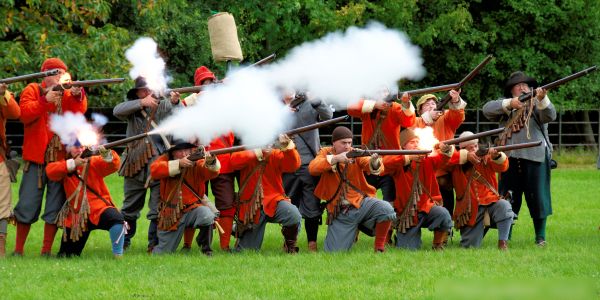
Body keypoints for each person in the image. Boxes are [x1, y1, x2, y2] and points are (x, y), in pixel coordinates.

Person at [13, 58, 87, 256]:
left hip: (59, 160)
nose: (59, 76)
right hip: (35, 160)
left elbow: (78, 113)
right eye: (55, 73)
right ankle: (18, 250)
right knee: (27, 205)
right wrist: (45, 101)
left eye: (62, 73)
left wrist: (78, 96)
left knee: (54, 208)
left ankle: (46, 251)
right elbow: (24, 114)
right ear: (45, 75)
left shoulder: (67, 91)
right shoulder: (32, 90)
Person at [483, 71, 556, 246]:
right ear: (512, 91)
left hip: (535, 157)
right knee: (508, 198)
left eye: (525, 85)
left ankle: (540, 237)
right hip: (508, 158)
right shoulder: (506, 108)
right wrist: (510, 104)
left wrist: (542, 99)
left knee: (539, 198)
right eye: (518, 86)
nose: (522, 87)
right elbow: (486, 109)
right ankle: (505, 237)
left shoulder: (538, 105)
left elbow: (550, 115)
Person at [113, 76, 180, 252]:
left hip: (158, 164)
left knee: (157, 207)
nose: (147, 92)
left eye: (149, 89)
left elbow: (175, 111)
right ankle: (124, 240)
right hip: (134, 163)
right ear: (137, 93)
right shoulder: (134, 107)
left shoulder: (163, 104)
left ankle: (154, 243)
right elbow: (117, 111)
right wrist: (142, 102)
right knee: (129, 207)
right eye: (143, 90)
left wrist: (174, 101)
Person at [176, 66, 238, 252]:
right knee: (192, 202)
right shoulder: (191, 103)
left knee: (226, 204)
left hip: (222, 162)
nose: (208, 86)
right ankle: (187, 245)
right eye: (204, 83)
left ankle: (225, 246)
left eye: (210, 82)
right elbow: (175, 113)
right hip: (196, 162)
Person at [308, 126, 395, 252]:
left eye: (349, 142)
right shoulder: (326, 153)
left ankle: (379, 248)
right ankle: (352, 232)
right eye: (343, 143)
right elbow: (313, 168)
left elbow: (375, 167)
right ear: (334, 143)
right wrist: (337, 158)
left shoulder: (356, 152)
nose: (347, 146)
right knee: (334, 253)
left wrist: (375, 161)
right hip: (340, 212)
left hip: (361, 203)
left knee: (386, 209)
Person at [46, 144, 125, 258]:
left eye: (82, 147)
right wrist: (74, 163)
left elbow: (113, 165)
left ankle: (118, 255)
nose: (80, 149)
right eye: (76, 147)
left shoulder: (93, 161)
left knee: (117, 220)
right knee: (67, 256)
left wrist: (107, 154)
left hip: (98, 209)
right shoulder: (66, 164)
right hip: (77, 217)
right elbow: (50, 171)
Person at [381, 128, 454, 250]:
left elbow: (442, 159)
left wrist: (446, 149)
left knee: (443, 215)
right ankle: (398, 238)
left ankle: (438, 245)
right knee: (407, 249)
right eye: (412, 142)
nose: (416, 144)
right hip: (408, 214)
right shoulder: (399, 161)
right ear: (403, 146)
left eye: (417, 142)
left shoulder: (427, 159)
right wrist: (409, 157)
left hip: (427, 207)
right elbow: (385, 164)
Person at [231, 135, 302, 253]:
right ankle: (237, 230)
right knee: (247, 252)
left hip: (274, 201)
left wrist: (288, 147)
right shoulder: (246, 153)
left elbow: (293, 165)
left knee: (293, 215)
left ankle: (290, 247)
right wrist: (258, 151)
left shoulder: (275, 153)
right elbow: (234, 161)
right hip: (251, 207)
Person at [282, 90, 333, 252]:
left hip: (309, 163)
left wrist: (316, 100)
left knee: (312, 205)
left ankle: (312, 242)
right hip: (286, 164)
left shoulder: (309, 103)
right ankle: (290, 242)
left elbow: (328, 116)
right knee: (290, 205)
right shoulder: (274, 107)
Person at [150, 141, 220, 255]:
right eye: (179, 151)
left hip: (193, 208)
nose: (183, 154)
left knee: (207, 215)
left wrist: (211, 161)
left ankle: (206, 249)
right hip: (171, 214)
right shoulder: (165, 159)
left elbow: (211, 173)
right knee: (161, 254)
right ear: (173, 153)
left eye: (186, 150)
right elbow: (154, 170)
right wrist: (178, 164)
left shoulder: (197, 161)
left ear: (191, 150)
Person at [347, 88, 415, 203]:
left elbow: (408, 122)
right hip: (368, 161)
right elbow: (350, 108)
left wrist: (405, 103)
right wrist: (375, 105)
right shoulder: (369, 107)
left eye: (384, 91)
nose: (381, 93)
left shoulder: (395, 107)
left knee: (390, 202)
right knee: (364, 200)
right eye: (378, 90)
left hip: (390, 163)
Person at [448, 131, 513, 250]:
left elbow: (503, 167)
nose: (474, 149)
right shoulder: (457, 162)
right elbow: (446, 159)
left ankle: (503, 242)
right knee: (470, 247)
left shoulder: (486, 158)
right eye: (470, 148)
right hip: (469, 209)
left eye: (475, 146)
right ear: (462, 149)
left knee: (504, 206)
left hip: (491, 202)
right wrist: (465, 156)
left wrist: (497, 156)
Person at [407, 90, 465, 218]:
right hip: (424, 168)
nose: (432, 105)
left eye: (433, 103)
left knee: (447, 197)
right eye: (427, 105)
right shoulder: (416, 121)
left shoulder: (446, 117)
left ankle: (446, 230)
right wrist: (428, 118)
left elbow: (458, 116)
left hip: (445, 167)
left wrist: (455, 100)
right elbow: (410, 130)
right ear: (420, 110)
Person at [0, 82, 21, 257]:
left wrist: (3, 93)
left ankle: (0, 249)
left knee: (2, 207)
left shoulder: (3, 95)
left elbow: (15, 113)